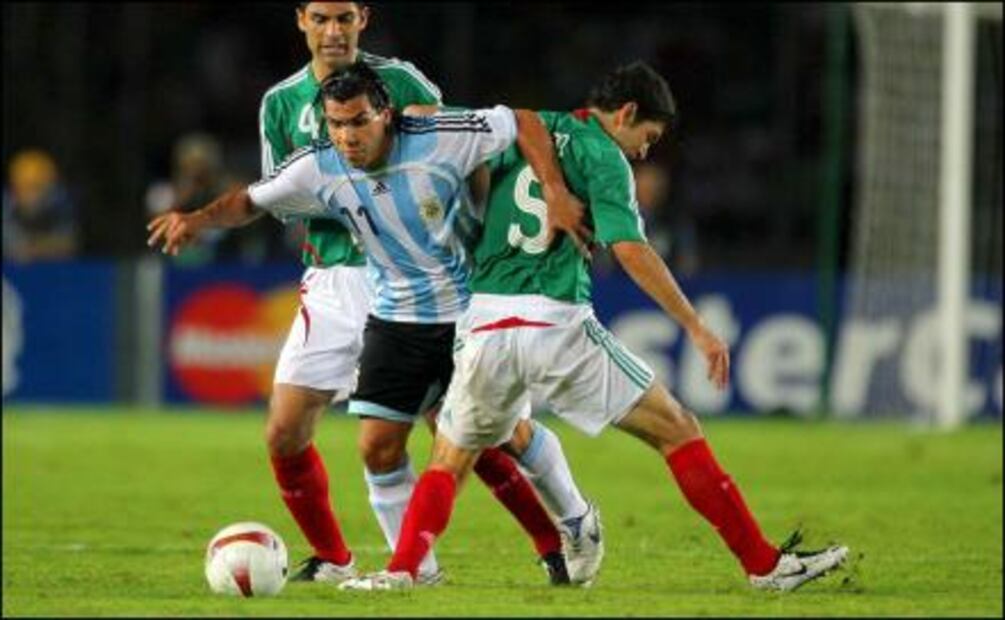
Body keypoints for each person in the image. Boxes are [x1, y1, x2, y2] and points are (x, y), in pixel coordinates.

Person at [338, 61, 849, 592]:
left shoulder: (522, 133)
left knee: (449, 459)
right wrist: (696, 326)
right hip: (554, 324)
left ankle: (401, 572)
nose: (644, 152)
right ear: (626, 113)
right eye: (648, 137)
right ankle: (765, 567)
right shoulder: (604, 156)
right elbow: (630, 249)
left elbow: (426, 114)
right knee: (678, 428)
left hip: (484, 326)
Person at [147, 47, 599, 585]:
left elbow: (522, 121)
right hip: (396, 316)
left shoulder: (437, 138)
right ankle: (415, 572)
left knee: (508, 436)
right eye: (337, 124)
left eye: (359, 121)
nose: (348, 136)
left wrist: (553, 191)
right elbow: (250, 200)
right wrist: (196, 220)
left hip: (468, 312)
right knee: (377, 447)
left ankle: (575, 519)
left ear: (386, 114)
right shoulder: (318, 164)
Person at [3, 149, 79, 262]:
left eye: (37, 187)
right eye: (25, 187)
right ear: (14, 188)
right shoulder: (6, 205)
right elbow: (14, 248)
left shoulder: (60, 203)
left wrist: (35, 249)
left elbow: (68, 244)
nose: (31, 196)